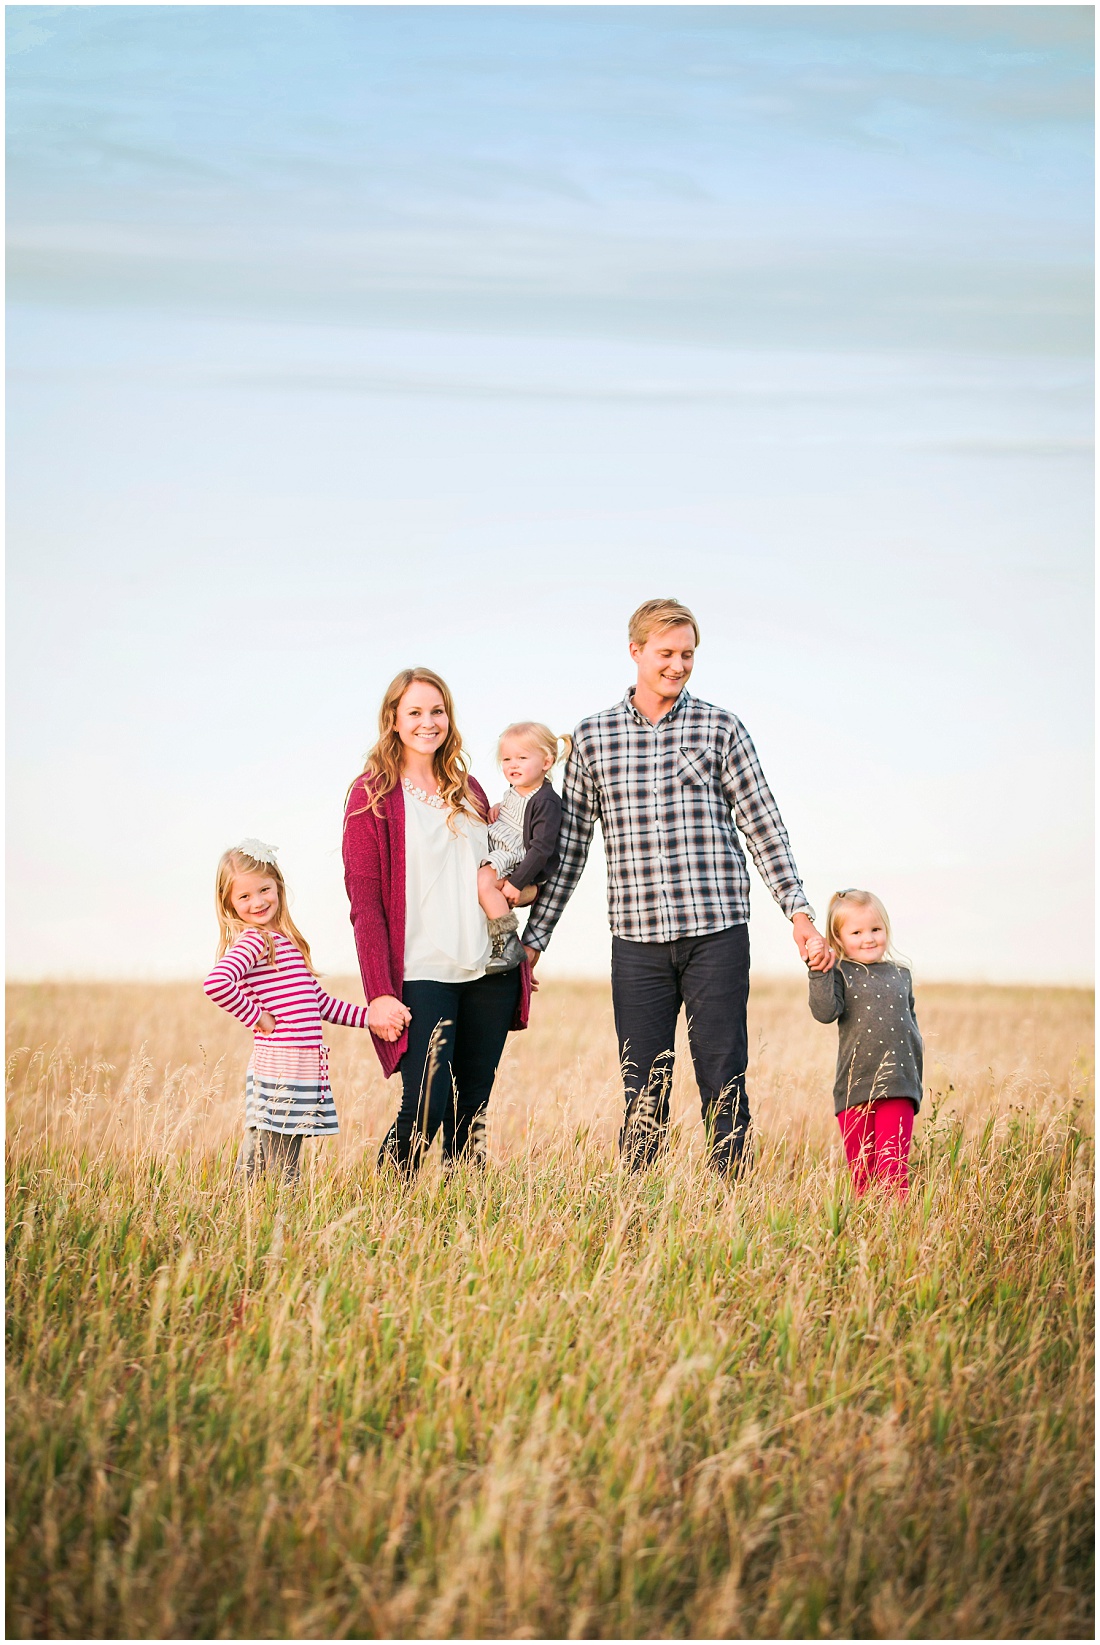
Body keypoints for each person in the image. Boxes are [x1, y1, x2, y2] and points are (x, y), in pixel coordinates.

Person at [521, 597, 830, 1176]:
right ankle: (639, 1210)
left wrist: (799, 914)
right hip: (637, 942)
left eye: (687, 654)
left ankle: (729, 1200)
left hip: (717, 933)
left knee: (724, 1076)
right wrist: (535, 940)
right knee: (643, 1086)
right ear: (635, 651)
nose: (677, 665)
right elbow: (570, 853)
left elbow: (764, 827)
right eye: (665, 653)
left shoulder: (721, 727)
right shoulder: (591, 738)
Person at [342, 668, 532, 1174]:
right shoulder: (372, 795)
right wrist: (379, 990)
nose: (429, 722)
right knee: (425, 1104)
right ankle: (382, 1207)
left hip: (488, 970)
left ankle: (461, 1220)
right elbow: (365, 904)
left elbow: (500, 867)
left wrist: (522, 916)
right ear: (394, 721)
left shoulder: (468, 789)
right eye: (416, 712)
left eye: (438, 711)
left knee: (472, 1114)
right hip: (421, 972)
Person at [203, 839, 371, 1182]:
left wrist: (369, 1018)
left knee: (284, 1155)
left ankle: (272, 1214)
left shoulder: (282, 941)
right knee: (269, 1158)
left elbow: (319, 1003)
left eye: (264, 889)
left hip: (299, 1067)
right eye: (245, 897)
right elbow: (217, 983)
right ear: (230, 904)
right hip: (280, 1064)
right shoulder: (255, 940)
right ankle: (252, 1215)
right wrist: (259, 1018)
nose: (258, 901)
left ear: (278, 886)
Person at [805, 888, 923, 1198]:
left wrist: (915, 1081)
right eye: (856, 932)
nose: (868, 938)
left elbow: (912, 1030)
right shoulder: (839, 973)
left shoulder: (902, 974)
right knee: (863, 1174)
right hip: (855, 1089)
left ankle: (896, 1234)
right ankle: (866, 1234)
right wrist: (819, 971)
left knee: (893, 1169)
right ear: (839, 939)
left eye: (875, 929)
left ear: (886, 929)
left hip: (898, 1086)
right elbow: (824, 1012)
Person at [476, 722, 568, 972]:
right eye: (506, 759)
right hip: (501, 851)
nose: (512, 764)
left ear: (546, 763)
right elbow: (514, 814)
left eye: (522, 757)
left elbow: (541, 848)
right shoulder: (515, 790)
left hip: (518, 861)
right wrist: (498, 807)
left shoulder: (547, 801)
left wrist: (518, 882)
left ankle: (506, 944)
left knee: (484, 882)